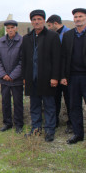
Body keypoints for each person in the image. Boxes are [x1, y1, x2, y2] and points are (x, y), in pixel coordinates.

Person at [22, 10, 61, 142]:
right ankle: (36, 129)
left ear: (44, 21)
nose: (36, 22)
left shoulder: (52, 36)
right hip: (31, 78)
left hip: (47, 78)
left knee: (49, 106)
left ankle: (50, 130)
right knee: (34, 105)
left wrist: (55, 77)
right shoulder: (27, 38)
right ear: (31, 22)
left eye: (39, 19)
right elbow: (24, 59)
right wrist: (24, 77)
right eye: (34, 19)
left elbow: (57, 59)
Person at [61, 8, 86, 144]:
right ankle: (78, 134)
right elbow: (63, 57)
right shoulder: (68, 35)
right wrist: (63, 76)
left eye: (80, 16)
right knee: (74, 106)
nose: (77, 19)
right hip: (73, 77)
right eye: (75, 17)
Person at [0, 20, 24, 133]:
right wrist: (3, 74)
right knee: (5, 101)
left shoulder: (22, 41)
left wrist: (12, 75)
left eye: (12, 27)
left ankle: (19, 124)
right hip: (4, 79)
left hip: (16, 79)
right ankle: (7, 123)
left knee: (17, 102)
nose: (10, 30)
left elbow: (22, 61)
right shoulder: (1, 41)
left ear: (16, 28)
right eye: (8, 28)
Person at [46, 14, 72, 133]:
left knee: (69, 100)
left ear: (55, 23)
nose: (49, 28)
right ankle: (54, 121)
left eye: (50, 25)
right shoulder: (52, 35)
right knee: (55, 99)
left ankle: (71, 123)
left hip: (66, 75)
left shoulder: (68, 35)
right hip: (55, 74)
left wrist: (64, 75)